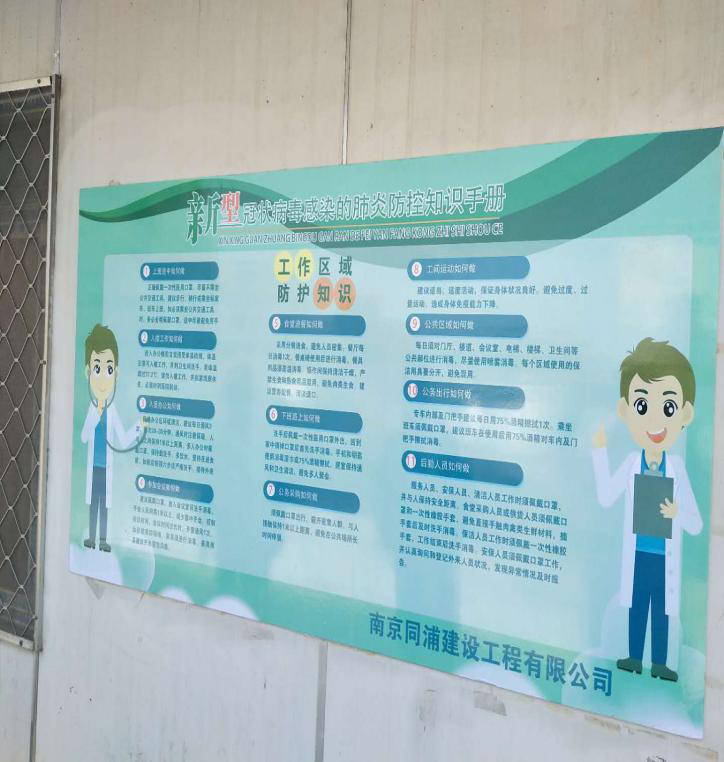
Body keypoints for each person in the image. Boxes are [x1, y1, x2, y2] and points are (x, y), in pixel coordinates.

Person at [591, 337, 702, 682]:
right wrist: (599, 453)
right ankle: (634, 658)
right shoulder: (630, 463)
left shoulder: (677, 469)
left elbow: (696, 524)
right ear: (625, 410)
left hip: (663, 556)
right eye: (642, 406)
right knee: (638, 605)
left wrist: (677, 512)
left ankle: (661, 663)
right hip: (638, 553)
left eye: (667, 408)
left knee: (663, 611)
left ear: (685, 413)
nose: (654, 420)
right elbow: (606, 496)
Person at [81, 324, 144, 552]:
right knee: (93, 504)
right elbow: (84, 436)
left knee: (104, 505)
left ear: (116, 374)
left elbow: (123, 440)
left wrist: (138, 428)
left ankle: (104, 539)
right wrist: (95, 415)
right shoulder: (92, 409)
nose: (102, 378)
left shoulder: (113, 410)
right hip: (94, 468)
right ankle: (91, 538)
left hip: (105, 469)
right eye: (97, 369)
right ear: (88, 372)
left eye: (108, 369)